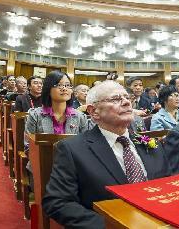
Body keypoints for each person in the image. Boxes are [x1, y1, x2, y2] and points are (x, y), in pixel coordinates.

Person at [42, 80, 170, 228]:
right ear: (93, 111)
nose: (127, 103)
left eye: (127, 98)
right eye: (116, 99)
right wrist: (112, 226)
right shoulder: (72, 149)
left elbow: (169, 185)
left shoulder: (150, 144)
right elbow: (58, 202)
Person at [25, 71, 88, 138]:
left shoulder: (80, 117)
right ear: (48, 89)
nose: (64, 88)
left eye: (68, 85)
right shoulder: (35, 115)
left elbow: (85, 144)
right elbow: (28, 144)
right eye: (59, 85)